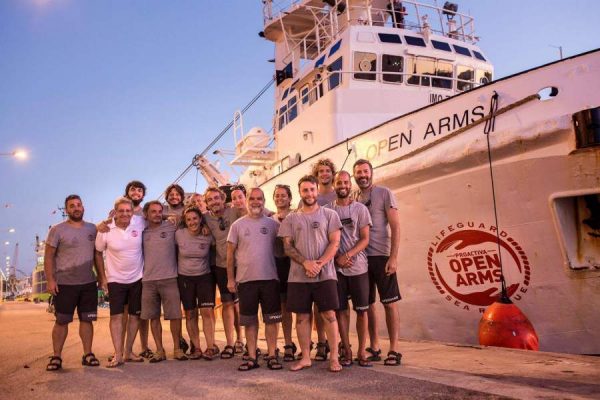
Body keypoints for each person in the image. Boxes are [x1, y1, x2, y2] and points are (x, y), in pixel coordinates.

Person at [278, 175, 343, 372]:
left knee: (329, 315)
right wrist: (306, 262)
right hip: (298, 277)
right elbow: (287, 247)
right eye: (305, 190)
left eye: (312, 189)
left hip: (325, 275)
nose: (309, 193)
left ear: (317, 190)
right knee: (302, 318)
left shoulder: (330, 215)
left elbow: (335, 242)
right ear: (300, 193)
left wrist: (319, 264)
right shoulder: (291, 218)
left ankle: (334, 358)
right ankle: (306, 357)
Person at [44, 195, 106, 371]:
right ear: (67, 210)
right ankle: (56, 356)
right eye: (72, 206)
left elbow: (97, 255)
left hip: (87, 283)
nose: (76, 208)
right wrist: (50, 279)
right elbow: (49, 256)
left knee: (87, 320)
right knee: (62, 321)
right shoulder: (57, 230)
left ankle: (88, 354)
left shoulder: (92, 229)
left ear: (83, 207)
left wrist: (102, 277)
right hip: (64, 283)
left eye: (78, 205)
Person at [352, 159, 402, 366]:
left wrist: (394, 257)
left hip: (381, 255)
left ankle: (395, 349)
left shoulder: (384, 193)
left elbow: (396, 226)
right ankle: (374, 346)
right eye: (358, 172)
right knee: (369, 304)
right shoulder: (354, 198)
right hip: (362, 259)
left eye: (365, 171)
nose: (362, 175)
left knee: (389, 303)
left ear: (371, 172)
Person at [227, 188, 282, 371]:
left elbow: (283, 249)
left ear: (264, 201)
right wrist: (230, 279)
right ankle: (252, 356)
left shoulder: (273, 224)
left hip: (270, 279)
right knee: (249, 322)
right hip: (246, 281)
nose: (256, 202)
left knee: (272, 320)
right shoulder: (237, 225)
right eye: (252, 198)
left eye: (259, 199)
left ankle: (272, 354)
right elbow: (229, 255)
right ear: (247, 200)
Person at [326, 171, 372, 367]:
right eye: (339, 182)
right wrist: (337, 258)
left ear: (350, 183)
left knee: (362, 311)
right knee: (341, 311)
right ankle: (346, 349)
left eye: (345, 182)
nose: (342, 185)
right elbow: (324, 240)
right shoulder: (328, 210)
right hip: (336, 270)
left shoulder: (360, 209)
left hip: (358, 268)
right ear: (334, 185)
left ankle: (362, 351)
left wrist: (348, 255)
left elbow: (365, 238)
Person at [95, 197, 145, 367]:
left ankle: (128, 351)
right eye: (121, 211)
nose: (125, 214)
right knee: (116, 317)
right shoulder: (105, 228)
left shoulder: (139, 222)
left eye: (128, 211)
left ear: (133, 212)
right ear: (115, 212)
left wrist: (170, 217)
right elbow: (97, 253)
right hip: (115, 279)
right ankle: (118, 354)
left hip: (138, 278)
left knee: (134, 316)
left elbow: (157, 216)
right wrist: (102, 278)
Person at [141, 201, 187, 362]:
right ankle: (160, 350)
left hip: (170, 278)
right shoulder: (142, 231)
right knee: (153, 317)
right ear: (146, 214)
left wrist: (167, 215)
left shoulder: (171, 226)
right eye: (153, 211)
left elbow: (185, 218)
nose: (157, 214)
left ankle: (177, 349)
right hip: (148, 281)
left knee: (175, 316)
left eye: (160, 211)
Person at [203, 186, 243, 359]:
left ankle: (242, 339)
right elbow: (183, 217)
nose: (214, 202)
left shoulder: (235, 211)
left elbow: (257, 210)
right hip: (221, 266)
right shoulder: (205, 218)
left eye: (217, 198)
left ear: (223, 199)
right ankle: (229, 343)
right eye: (210, 200)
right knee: (227, 304)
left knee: (241, 304)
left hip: (241, 264)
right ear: (207, 204)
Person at [176, 206, 219, 360]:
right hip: (185, 278)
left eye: (195, 218)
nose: (192, 222)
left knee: (207, 312)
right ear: (184, 222)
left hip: (204, 277)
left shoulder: (208, 235)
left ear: (200, 219)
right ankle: (197, 348)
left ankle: (210, 347)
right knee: (190, 313)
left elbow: (218, 247)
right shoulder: (179, 234)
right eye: (188, 219)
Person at [272, 184, 296, 362]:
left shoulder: (297, 216)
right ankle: (288, 343)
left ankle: (309, 343)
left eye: (283, 195)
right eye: (277, 195)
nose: (280, 198)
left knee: (303, 309)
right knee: (284, 308)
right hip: (278, 266)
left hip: (296, 265)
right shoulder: (269, 219)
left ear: (289, 198)